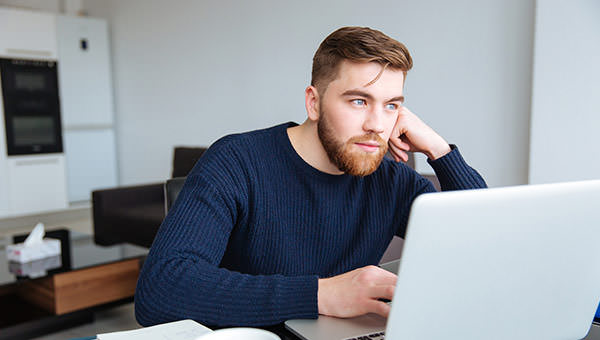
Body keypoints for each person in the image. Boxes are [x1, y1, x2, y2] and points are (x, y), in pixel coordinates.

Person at [134, 26, 487, 328]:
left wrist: (440, 151)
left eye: (391, 105)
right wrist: (322, 294)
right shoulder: (237, 161)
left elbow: (483, 249)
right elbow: (161, 288)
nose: (377, 125)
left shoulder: (391, 180)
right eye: (359, 101)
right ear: (313, 103)